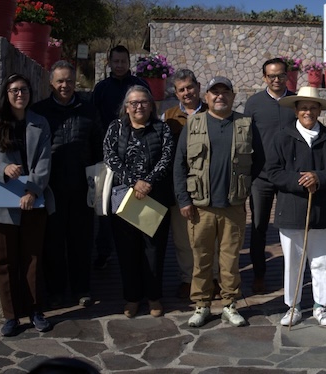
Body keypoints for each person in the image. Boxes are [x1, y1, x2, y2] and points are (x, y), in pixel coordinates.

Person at [0, 73, 55, 336]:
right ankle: (11, 316)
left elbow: (44, 161)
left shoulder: (40, 123)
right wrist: (2, 169)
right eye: (14, 90)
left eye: (24, 89)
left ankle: (35, 311)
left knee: (33, 259)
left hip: (33, 201)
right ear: (6, 94)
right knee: (4, 261)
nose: (20, 94)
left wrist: (33, 191)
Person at [174, 77, 255, 328]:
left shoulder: (244, 124)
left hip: (233, 206)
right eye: (214, 92)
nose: (220, 96)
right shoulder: (194, 123)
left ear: (232, 96)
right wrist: (183, 200)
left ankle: (230, 304)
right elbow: (179, 164)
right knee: (201, 259)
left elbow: (258, 162)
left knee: (230, 261)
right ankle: (202, 305)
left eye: (225, 92)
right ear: (206, 97)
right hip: (201, 206)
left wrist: (245, 191)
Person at [266, 87, 326, 326]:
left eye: (313, 107)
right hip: (291, 209)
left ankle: (321, 306)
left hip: (322, 209)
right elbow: (273, 171)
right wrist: (301, 180)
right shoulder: (282, 137)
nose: (308, 112)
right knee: (293, 263)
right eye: (303, 108)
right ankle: (293, 306)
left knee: (321, 261)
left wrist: (319, 178)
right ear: (296, 110)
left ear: (319, 110)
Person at [32, 61, 103, 309]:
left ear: (76, 83)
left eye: (70, 81)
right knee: (53, 242)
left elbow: (98, 147)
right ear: (51, 83)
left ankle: (82, 289)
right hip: (51, 188)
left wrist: (97, 181)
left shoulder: (89, 110)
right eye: (60, 81)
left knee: (81, 242)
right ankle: (56, 291)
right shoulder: (39, 112)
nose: (65, 85)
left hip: (82, 187)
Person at [103, 85, 174, 318]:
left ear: (151, 105)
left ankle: (154, 297)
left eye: (143, 102)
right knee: (127, 250)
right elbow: (110, 156)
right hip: (124, 197)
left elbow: (166, 158)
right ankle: (132, 298)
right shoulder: (115, 128)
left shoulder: (162, 128)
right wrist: (134, 182)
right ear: (126, 107)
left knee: (154, 250)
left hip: (155, 197)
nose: (139, 106)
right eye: (133, 103)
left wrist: (148, 182)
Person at [92, 45, 149, 269]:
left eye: (123, 61)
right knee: (106, 206)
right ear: (110, 62)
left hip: (136, 156)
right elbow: (95, 119)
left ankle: (137, 250)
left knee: (135, 203)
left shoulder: (139, 86)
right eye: (115, 61)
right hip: (108, 156)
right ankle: (105, 251)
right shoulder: (101, 88)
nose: (119, 65)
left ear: (129, 62)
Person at [243, 57, 296, 293]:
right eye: (271, 76)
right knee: (258, 228)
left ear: (287, 76)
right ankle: (259, 274)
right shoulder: (254, 103)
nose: (276, 80)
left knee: (291, 228)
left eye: (281, 75)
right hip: (261, 177)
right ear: (264, 77)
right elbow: (245, 139)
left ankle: (292, 276)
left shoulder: (295, 101)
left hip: (289, 177)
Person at [161, 69, 205, 300]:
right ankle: (188, 279)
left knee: (208, 236)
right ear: (176, 93)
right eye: (181, 89)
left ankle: (212, 278)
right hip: (179, 185)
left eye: (190, 87)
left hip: (207, 185)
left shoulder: (212, 112)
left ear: (198, 87)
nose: (187, 92)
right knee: (183, 238)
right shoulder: (168, 117)